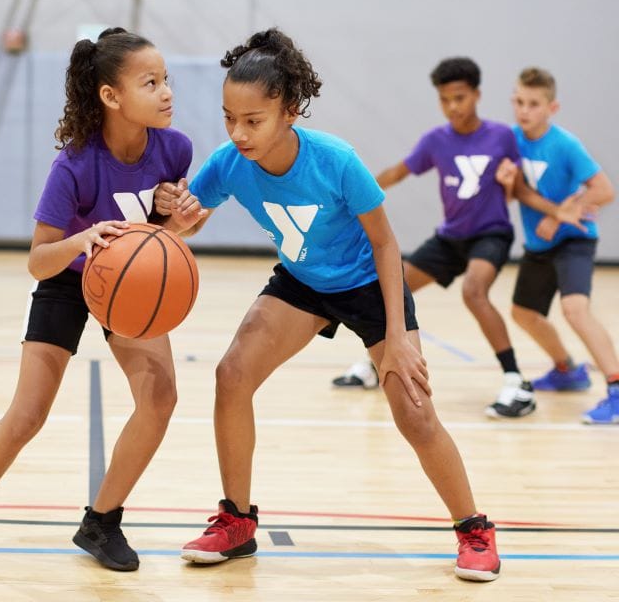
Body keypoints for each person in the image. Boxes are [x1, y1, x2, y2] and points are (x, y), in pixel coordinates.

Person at [156, 29, 501, 582]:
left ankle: (474, 529)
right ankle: (237, 522)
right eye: (229, 118)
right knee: (232, 375)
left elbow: (388, 245)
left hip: (368, 283)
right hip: (302, 281)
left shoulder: (336, 161)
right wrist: (175, 210)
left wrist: (396, 340)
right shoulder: (227, 163)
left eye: (253, 120)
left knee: (413, 411)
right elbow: (186, 224)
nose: (238, 132)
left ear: (290, 111)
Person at [0, 27, 201, 571]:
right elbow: (37, 259)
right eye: (151, 82)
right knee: (28, 414)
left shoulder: (175, 148)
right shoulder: (75, 163)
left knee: (160, 398)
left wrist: (181, 219)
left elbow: (164, 236)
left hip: (130, 283)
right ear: (111, 96)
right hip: (67, 277)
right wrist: (79, 240)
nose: (167, 92)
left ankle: (101, 523)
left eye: (166, 80)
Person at [332, 57, 540, 418]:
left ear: (476, 95)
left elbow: (519, 189)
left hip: (490, 234)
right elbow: (397, 172)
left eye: (459, 98)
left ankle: (515, 381)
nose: (452, 107)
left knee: (474, 291)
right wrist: (349, 196)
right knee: (388, 285)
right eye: (445, 100)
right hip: (450, 238)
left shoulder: (501, 136)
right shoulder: (435, 141)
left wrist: (513, 182)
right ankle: (375, 365)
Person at [497, 67, 619, 424]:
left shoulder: (565, 144)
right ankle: (567, 370)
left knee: (574, 309)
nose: (524, 110)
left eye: (534, 104)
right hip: (539, 244)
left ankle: (615, 387)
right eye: (519, 102)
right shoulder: (510, 140)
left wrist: (563, 213)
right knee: (523, 313)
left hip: (573, 241)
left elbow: (604, 190)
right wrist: (506, 185)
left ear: (552, 108)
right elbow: (511, 195)